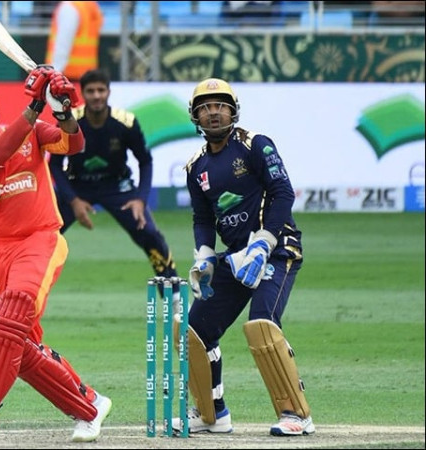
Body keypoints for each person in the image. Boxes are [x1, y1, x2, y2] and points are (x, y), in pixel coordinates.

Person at [0, 67, 111, 444]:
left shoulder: (33, 131)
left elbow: (73, 144)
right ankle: (90, 405)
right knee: (19, 346)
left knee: (12, 313)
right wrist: (35, 106)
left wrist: (62, 109)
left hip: (40, 238)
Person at [171, 78, 315, 437]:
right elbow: (203, 218)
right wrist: (205, 257)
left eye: (220, 105)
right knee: (195, 331)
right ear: (195, 116)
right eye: (206, 107)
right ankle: (212, 414)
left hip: (278, 249)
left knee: (262, 325)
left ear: (233, 110)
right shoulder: (195, 166)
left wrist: (264, 243)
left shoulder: (255, 145)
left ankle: (296, 414)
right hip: (236, 258)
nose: (213, 112)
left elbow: (283, 193)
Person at [48, 69, 180, 301]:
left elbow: (145, 161)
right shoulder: (70, 121)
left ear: (108, 92)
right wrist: (73, 201)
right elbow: (55, 165)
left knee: (149, 233)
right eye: (91, 91)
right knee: (44, 236)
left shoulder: (125, 123)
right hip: (77, 186)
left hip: (117, 186)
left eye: (101, 90)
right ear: (83, 94)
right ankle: (23, 291)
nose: (96, 96)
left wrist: (140, 200)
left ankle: (174, 297)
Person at [45, 1, 103, 81]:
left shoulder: (69, 7)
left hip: (67, 77)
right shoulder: (90, 6)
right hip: (87, 77)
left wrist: (53, 75)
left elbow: (63, 44)